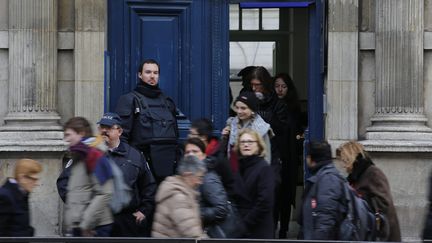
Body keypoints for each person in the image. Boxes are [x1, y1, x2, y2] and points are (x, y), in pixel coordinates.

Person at [115, 59, 179, 184]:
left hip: (168, 168)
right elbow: (120, 137)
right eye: (148, 72)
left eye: (155, 73)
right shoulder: (129, 100)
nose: (152, 76)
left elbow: (175, 135)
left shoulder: (167, 102)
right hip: (141, 167)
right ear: (140, 75)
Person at [97, 112, 157, 237]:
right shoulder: (90, 153)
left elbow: (149, 186)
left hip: (126, 221)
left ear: (119, 131)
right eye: (102, 127)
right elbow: (66, 181)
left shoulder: (134, 156)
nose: (104, 131)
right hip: (98, 219)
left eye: (109, 128)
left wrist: (144, 211)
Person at [338, 141, 401, 242]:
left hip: (380, 235)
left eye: (344, 160)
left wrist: (359, 200)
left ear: (350, 157)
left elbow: (384, 203)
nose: (343, 165)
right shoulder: (354, 177)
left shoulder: (373, 173)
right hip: (365, 233)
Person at [62, 117, 114, 237]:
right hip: (80, 226)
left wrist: (86, 225)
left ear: (81, 133)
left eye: (69, 135)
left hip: (95, 227)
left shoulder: (94, 155)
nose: (66, 139)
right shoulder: (79, 155)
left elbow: (105, 193)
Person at [273, 73, 303, 238]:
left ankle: (283, 230)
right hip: (276, 155)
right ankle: (272, 229)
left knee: (286, 195)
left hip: (289, 157)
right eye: (277, 86)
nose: (280, 89)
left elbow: (297, 132)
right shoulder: (271, 105)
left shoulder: (294, 108)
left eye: (283, 86)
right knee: (274, 195)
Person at [231, 129, 275, 239]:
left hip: (258, 229)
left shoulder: (264, 168)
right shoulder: (237, 168)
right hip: (240, 228)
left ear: (258, 146)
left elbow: (265, 202)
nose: (246, 145)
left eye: (250, 142)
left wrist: (245, 223)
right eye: (243, 142)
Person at [299, 140, 345, 240]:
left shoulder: (328, 179)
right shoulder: (320, 178)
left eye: (308, 156)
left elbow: (325, 221)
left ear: (312, 159)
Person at [151, 155, 206, 238]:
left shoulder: (179, 190)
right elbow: (191, 231)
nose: (200, 182)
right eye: (199, 177)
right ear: (188, 175)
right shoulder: (178, 197)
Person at [184, 138, 229, 237]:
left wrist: (197, 213)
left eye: (195, 151)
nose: (191, 155)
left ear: (203, 155)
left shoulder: (208, 178)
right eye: (187, 152)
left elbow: (221, 209)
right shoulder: (186, 175)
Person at [222, 91, 273, 172]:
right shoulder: (232, 124)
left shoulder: (261, 128)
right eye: (237, 107)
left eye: (243, 108)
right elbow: (227, 151)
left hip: (254, 173)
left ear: (252, 110)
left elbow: (266, 156)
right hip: (234, 172)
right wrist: (224, 137)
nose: (239, 111)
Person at [189, 118, 234, 197]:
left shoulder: (219, 158)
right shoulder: (190, 152)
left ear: (203, 137)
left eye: (192, 134)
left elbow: (230, 186)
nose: (189, 137)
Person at [0, 159, 42, 236]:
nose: (36, 184)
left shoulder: (22, 193)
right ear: (22, 177)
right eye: (34, 179)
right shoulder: (5, 196)